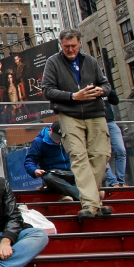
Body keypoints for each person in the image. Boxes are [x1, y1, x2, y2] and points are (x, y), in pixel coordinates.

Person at [41, 28, 112, 220]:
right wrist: (73, 96)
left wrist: (100, 91)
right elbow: (47, 90)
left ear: (80, 43)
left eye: (73, 46)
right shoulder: (53, 62)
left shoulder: (90, 61)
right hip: (69, 115)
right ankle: (90, 204)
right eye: (66, 46)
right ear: (60, 45)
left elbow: (106, 85)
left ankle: (93, 201)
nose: (70, 49)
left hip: (95, 113)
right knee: (79, 158)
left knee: (101, 156)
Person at [24, 121, 78, 201]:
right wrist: (34, 171)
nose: (58, 140)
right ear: (50, 130)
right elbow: (30, 161)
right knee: (48, 177)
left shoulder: (69, 139)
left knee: (100, 172)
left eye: (60, 138)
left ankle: (66, 194)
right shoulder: (39, 142)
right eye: (56, 137)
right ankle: (85, 196)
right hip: (55, 175)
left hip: (72, 173)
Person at [103, 89, 127, 187]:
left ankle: (121, 181)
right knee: (101, 154)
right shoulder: (85, 84)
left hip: (110, 121)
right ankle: (113, 182)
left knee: (121, 150)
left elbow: (115, 101)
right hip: (96, 122)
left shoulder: (103, 86)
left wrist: (109, 90)